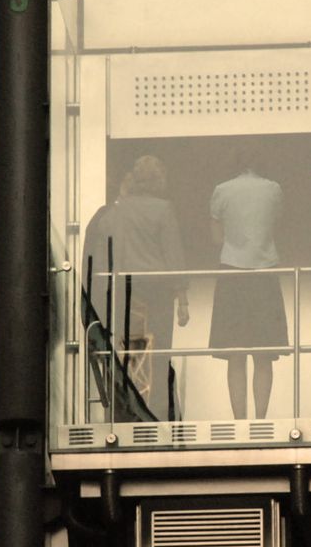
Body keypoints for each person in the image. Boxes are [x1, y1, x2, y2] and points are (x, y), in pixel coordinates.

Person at [80, 155, 189, 421]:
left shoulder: (117, 210)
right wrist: (183, 299)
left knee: (130, 351)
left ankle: (128, 414)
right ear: (159, 180)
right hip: (157, 293)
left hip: (125, 292)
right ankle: (157, 414)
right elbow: (174, 256)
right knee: (158, 353)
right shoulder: (164, 209)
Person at [207, 147, 287, 420]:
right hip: (265, 272)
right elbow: (276, 224)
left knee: (235, 353)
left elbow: (216, 238)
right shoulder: (273, 189)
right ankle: (261, 417)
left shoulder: (222, 190)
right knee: (264, 355)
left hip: (232, 273)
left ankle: (239, 419)